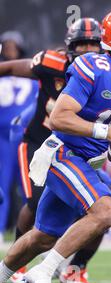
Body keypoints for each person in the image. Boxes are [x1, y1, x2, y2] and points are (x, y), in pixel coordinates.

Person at [0, 6, 111, 283]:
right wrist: (106, 132)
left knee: (43, 235)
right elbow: (61, 118)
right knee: (105, 211)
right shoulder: (92, 68)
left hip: (88, 161)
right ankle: (44, 270)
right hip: (61, 152)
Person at [0, 18, 111, 283]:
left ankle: (75, 269)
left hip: (80, 150)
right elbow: (16, 67)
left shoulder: (107, 73)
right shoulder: (51, 62)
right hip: (41, 144)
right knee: (35, 201)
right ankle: (20, 267)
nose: (87, 50)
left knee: (99, 210)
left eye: (92, 44)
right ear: (69, 47)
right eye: (81, 44)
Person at [0, 31, 39, 244]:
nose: (9, 49)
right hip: (1, 138)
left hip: (23, 137)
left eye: (13, 45)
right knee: (1, 186)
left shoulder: (31, 74)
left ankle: (34, 233)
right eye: (6, 45)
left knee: (30, 188)